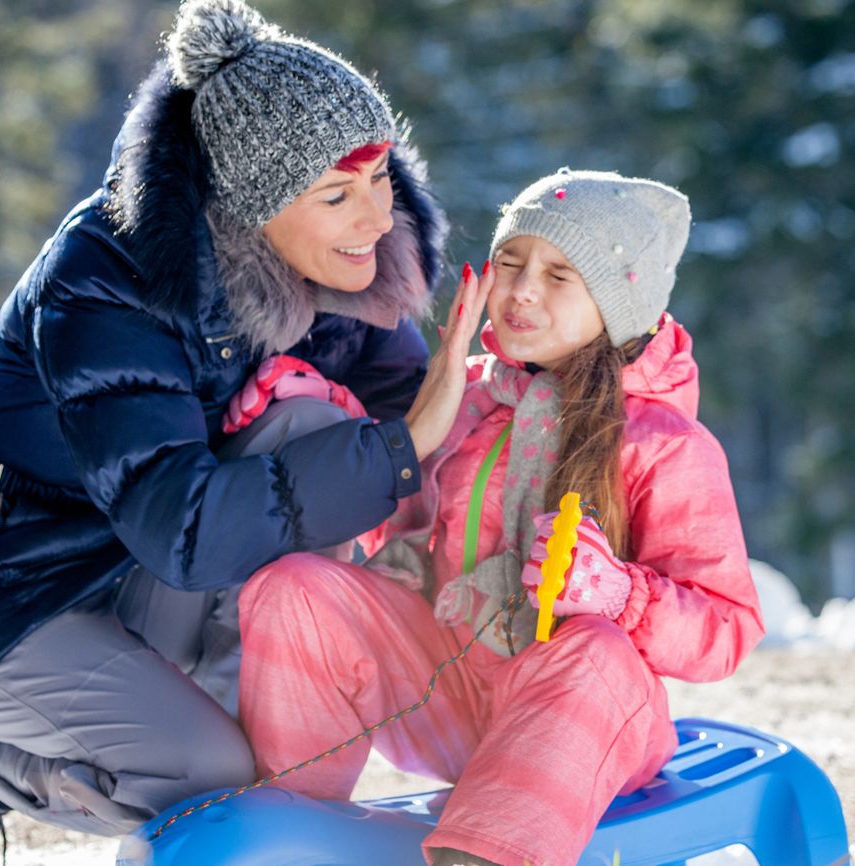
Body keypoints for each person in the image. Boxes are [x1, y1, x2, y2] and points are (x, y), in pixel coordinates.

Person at [0, 1, 487, 862]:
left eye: (381, 178)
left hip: (130, 562)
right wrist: (397, 448)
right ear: (249, 204)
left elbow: (424, 411)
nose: (377, 219)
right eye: (338, 194)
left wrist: (560, 435)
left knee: (312, 425)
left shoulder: (344, 266)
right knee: (207, 780)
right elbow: (186, 527)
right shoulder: (111, 275)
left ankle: (227, 802)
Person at [237, 169, 767, 866]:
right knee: (296, 587)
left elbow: (728, 628)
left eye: (557, 276)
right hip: (450, 694)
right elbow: (394, 531)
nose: (519, 292)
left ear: (617, 303)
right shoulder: (470, 398)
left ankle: (483, 857)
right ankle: (291, 835)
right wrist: (330, 422)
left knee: (596, 651)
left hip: (583, 720)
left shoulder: (663, 444)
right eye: (510, 263)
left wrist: (618, 593)